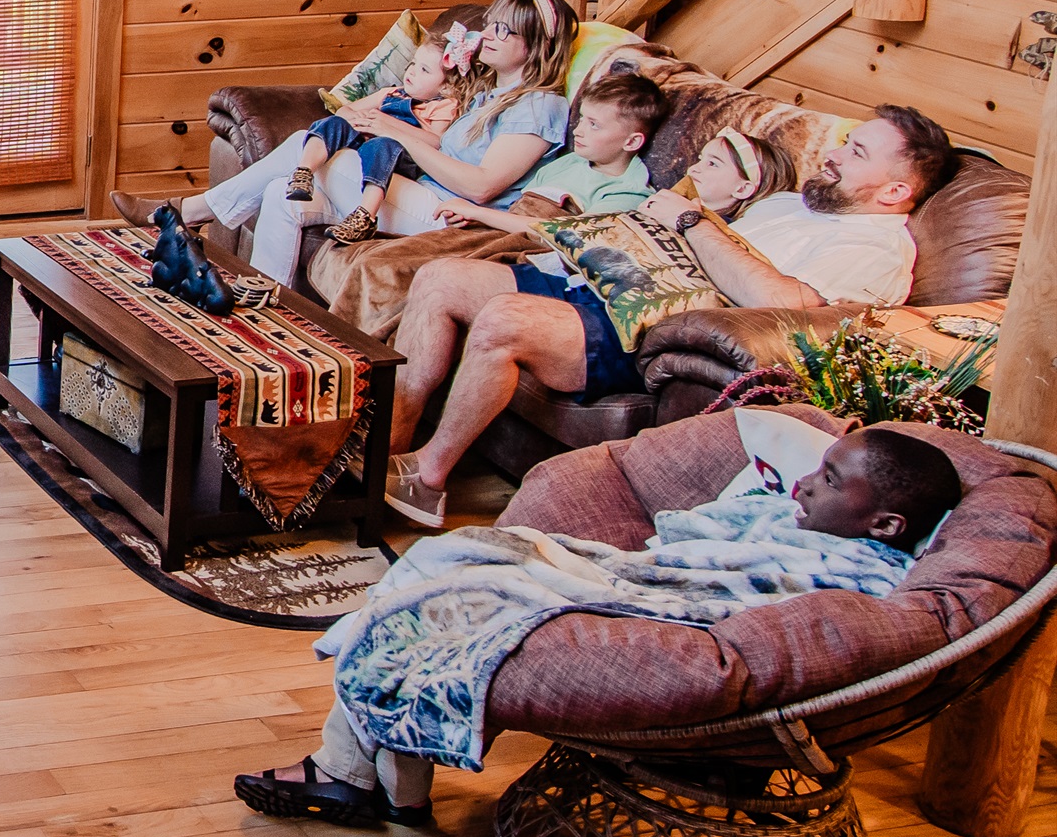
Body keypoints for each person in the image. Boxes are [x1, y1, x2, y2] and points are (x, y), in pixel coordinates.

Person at [234, 425, 961, 829]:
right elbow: (711, 521)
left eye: (830, 480)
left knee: (450, 579)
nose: (804, 483)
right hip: (634, 574)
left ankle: (352, 773)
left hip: (655, 609)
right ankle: (374, 780)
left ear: (888, 522)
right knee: (446, 564)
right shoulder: (812, 520)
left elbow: (729, 590)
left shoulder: (857, 579)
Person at [380, 104, 953, 528]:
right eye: (845, 143)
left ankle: (427, 479)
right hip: (619, 281)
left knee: (505, 318)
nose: (832, 156)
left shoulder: (876, 249)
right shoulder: (793, 203)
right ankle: (387, 450)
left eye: (856, 153)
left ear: (896, 189)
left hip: (660, 331)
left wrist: (693, 222)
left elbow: (787, 310)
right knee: (441, 278)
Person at [113, 0, 575, 291]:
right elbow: (435, 141)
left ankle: (184, 212)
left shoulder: (539, 106)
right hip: (419, 190)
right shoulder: (488, 93)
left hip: (453, 219)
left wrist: (398, 136)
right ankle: (266, 303)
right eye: (490, 24)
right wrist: (391, 125)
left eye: (505, 30)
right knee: (283, 191)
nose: (488, 36)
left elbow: (481, 187)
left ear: (536, 47)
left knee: (316, 153)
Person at [430, 66, 670, 236]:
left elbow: (567, 236)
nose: (578, 130)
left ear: (631, 142)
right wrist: (470, 216)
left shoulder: (627, 192)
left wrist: (477, 213)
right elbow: (517, 210)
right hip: (493, 231)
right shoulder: (571, 162)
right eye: (583, 119)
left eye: (594, 125)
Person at [286, 41, 462, 243]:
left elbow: (434, 142)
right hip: (366, 141)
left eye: (424, 70)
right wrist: (358, 120)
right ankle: (303, 173)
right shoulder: (390, 93)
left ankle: (365, 216)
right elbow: (345, 110)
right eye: (413, 64)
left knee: (381, 145)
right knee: (334, 123)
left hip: (400, 157)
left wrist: (388, 125)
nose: (412, 72)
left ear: (446, 86)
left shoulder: (442, 106)